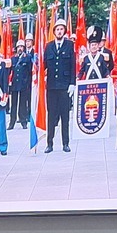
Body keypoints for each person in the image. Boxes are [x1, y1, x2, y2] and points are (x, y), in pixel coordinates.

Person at [44, 19, 76, 153]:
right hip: (51, 87)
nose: (59, 31)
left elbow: (73, 65)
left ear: (64, 31)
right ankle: (49, 143)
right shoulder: (48, 46)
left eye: (61, 29)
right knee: (51, 116)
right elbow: (44, 64)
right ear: (54, 32)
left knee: (65, 116)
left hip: (64, 87)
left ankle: (65, 143)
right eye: (57, 29)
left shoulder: (69, 45)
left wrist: (72, 83)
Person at [9, 39, 33, 130]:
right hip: (15, 84)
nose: (20, 48)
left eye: (21, 47)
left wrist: (28, 83)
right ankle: (12, 122)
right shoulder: (13, 58)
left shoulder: (28, 57)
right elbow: (10, 71)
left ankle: (23, 121)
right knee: (13, 104)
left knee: (23, 104)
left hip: (24, 84)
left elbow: (30, 71)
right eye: (18, 47)